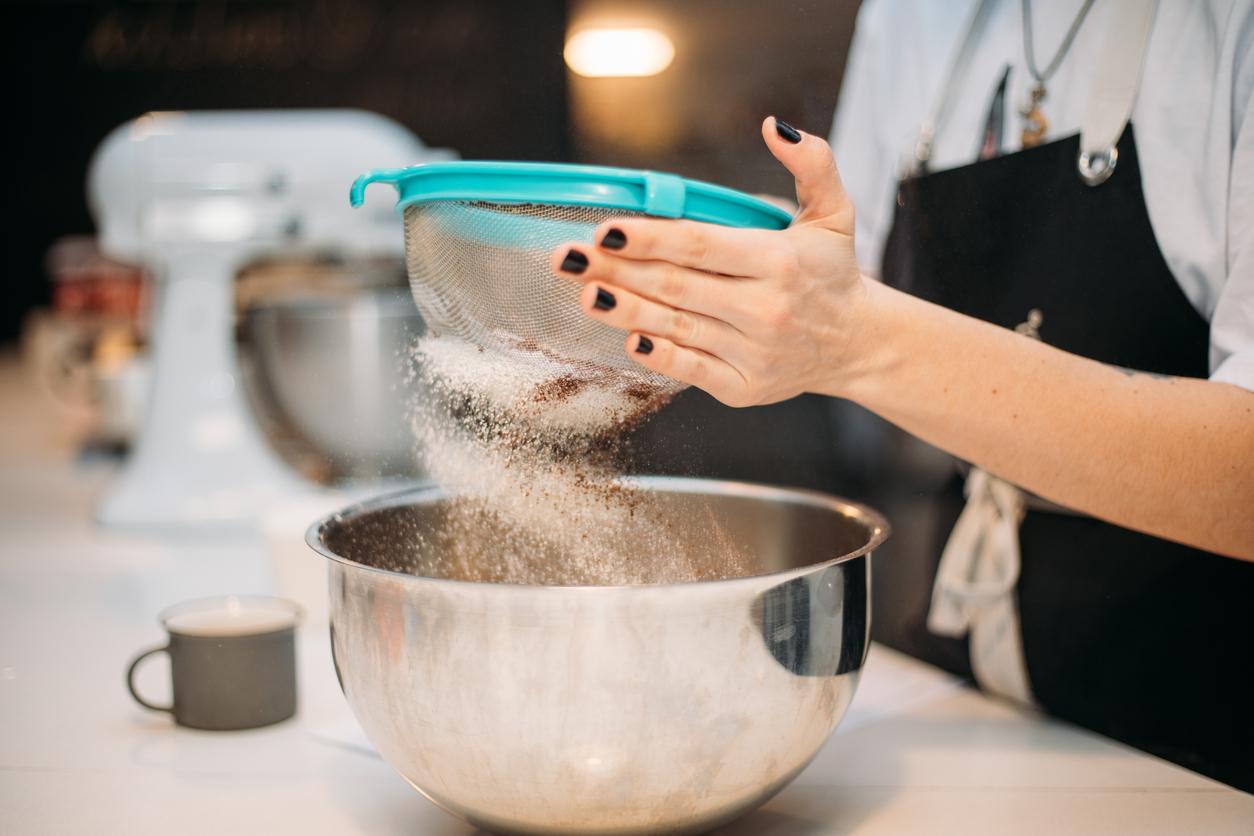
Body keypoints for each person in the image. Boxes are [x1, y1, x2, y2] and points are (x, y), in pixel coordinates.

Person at [551, 0, 1254, 790]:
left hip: (1218, 721)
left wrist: (858, 340)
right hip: (989, 702)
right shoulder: (915, 17)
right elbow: (842, 279)